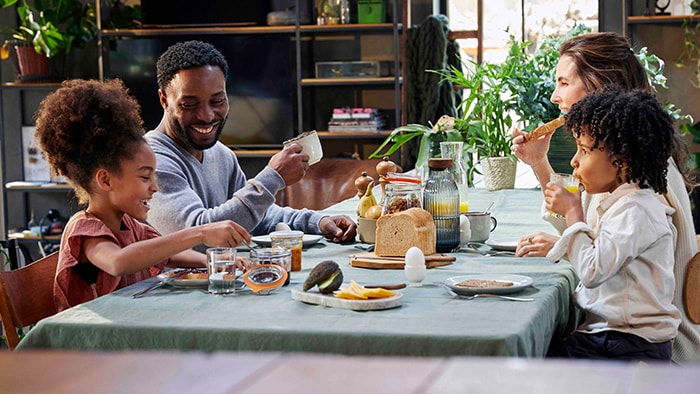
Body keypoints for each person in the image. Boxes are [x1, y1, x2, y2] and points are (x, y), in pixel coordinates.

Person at [511, 32, 699, 362]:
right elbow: (584, 217)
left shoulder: (647, 177)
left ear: (600, 84)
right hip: (621, 333)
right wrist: (539, 162)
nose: (556, 96)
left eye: (564, 82)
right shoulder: (626, 159)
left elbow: (596, 253)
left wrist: (573, 242)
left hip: (650, 348)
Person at [34, 79, 251, 311]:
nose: (155, 187)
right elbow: (119, 262)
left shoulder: (129, 225)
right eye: (145, 177)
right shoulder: (86, 230)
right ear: (105, 180)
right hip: (91, 342)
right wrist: (200, 232)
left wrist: (217, 262)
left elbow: (167, 254)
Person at [144, 40, 356, 249]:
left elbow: (256, 218)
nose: (206, 116)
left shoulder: (221, 154)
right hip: (167, 284)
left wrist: (316, 222)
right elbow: (198, 237)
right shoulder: (149, 160)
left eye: (217, 101)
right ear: (164, 100)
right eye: (189, 105)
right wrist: (273, 178)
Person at [544, 89, 681, 361]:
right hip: (612, 337)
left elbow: (593, 271)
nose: (574, 160)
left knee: (533, 360)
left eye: (584, 150)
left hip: (626, 344)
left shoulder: (636, 210)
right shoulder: (624, 204)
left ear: (623, 159)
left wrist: (574, 213)